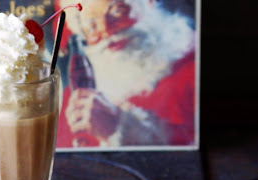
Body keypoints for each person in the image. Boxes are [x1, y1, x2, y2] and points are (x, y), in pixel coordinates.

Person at [55, 0, 196, 147]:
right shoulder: (74, 96)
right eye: (92, 25)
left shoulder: (194, 69)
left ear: (149, 3)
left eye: (117, 12)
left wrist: (120, 126)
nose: (106, 31)